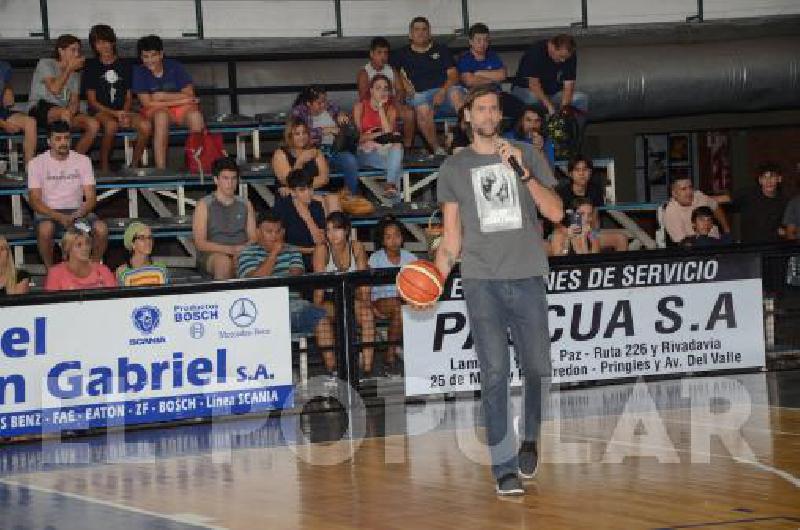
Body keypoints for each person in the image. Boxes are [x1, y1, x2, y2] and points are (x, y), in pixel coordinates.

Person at [431, 85, 562, 496]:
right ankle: (503, 465)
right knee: (494, 373)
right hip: (481, 279)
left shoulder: (527, 154)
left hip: (527, 274)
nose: (488, 115)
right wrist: (435, 280)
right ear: (467, 116)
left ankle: (530, 439)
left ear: (500, 116)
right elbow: (451, 239)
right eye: (480, 109)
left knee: (539, 369)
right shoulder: (455, 167)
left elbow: (556, 213)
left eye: (493, 109)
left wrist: (523, 172)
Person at [27, 120, 109, 267]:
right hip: (48, 212)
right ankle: (50, 271)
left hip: (77, 210)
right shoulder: (36, 163)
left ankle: (95, 267)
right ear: (49, 141)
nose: (63, 142)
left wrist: (78, 213)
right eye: (58, 139)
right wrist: (59, 216)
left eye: (66, 138)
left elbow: (91, 198)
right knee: (45, 230)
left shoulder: (83, 161)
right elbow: (34, 201)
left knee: (101, 229)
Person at [237, 211, 330, 337]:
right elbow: (255, 282)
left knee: (323, 319)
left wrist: (268, 276)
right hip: (261, 311)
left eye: (278, 231)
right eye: (269, 231)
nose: (274, 236)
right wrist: (274, 254)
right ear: (258, 232)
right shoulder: (247, 253)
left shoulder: (292, 251)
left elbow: (295, 278)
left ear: (283, 232)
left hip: (295, 307)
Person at [314, 212, 376, 381]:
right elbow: (318, 285)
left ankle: (367, 369)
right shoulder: (322, 249)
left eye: (336, 229)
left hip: (351, 296)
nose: (331, 234)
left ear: (347, 230)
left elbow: (363, 282)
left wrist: (366, 304)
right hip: (329, 299)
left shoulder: (356, 247)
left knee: (367, 315)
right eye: (328, 230)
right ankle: (333, 369)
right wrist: (315, 307)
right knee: (319, 318)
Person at [390, 16, 464, 155]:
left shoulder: (441, 50)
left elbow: (454, 75)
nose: (421, 32)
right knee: (422, 107)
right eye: (416, 29)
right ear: (410, 34)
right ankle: (437, 150)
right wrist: (403, 83)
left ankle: (465, 141)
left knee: (456, 93)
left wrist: (442, 91)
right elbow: (391, 71)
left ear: (430, 33)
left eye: (424, 29)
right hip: (419, 96)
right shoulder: (401, 54)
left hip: (444, 93)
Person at [84, 24, 151, 171]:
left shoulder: (125, 65)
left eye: (106, 41)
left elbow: (128, 96)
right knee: (111, 125)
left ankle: (134, 165)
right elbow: (92, 101)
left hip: (123, 110)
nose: (104, 46)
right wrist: (115, 114)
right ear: (94, 46)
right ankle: (104, 167)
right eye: (99, 42)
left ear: (113, 42)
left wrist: (124, 113)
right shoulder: (91, 66)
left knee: (145, 126)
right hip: (100, 111)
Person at [132, 35, 205, 169]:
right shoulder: (140, 72)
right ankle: (161, 169)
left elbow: (190, 93)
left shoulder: (175, 66)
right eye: (145, 57)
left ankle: (196, 165)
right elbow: (147, 103)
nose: (149, 60)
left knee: (196, 117)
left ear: (161, 54)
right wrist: (182, 99)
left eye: (153, 56)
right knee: (161, 117)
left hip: (179, 108)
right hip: (157, 110)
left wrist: (162, 96)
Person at [28, 34, 99, 156]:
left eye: (78, 50)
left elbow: (74, 102)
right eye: (73, 50)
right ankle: (62, 157)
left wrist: (71, 113)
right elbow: (55, 89)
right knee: (64, 113)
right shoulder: (46, 63)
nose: (77, 54)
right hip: (40, 107)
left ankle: (74, 160)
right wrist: (69, 69)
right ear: (61, 51)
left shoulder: (75, 75)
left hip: (64, 113)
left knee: (93, 124)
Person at [192, 156, 257, 280]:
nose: (230, 183)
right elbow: (200, 243)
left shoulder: (245, 203)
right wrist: (230, 250)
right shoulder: (204, 204)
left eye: (233, 178)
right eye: (225, 178)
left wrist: (241, 251)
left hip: (241, 251)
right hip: (212, 254)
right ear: (216, 180)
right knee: (223, 263)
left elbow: (253, 237)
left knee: (255, 260)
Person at [290, 86, 360, 196]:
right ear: (309, 103)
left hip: (334, 150)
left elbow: (342, 115)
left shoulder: (330, 106)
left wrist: (342, 115)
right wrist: (324, 130)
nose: (323, 105)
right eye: (319, 103)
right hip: (313, 152)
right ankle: (310, 194)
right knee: (313, 167)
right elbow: (302, 134)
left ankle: (351, 195)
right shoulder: (299, 112)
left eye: (324, 101)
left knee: (350, 160)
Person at [369, 216, 416, 376]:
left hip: (405, 302)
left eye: (396, 235)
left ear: (402, 237)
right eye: (388, 237)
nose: (393, 240)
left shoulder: (410, 258)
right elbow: (366, 287)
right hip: (380, 302)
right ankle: (390, 355)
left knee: (400, 308)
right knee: (398, 306)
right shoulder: (375, 258)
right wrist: (370, 307)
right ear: (382, 241)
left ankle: (393, 353)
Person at [555, 156, 628, 251]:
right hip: (566, 232)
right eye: (577, 170)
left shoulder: (595, 190)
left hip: (589, 231)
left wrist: (592, 234)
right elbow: (556, 222)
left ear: (590, 172)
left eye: (585, 169)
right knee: (558, 238)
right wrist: (568, 232)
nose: (582, 173)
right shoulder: (562, 193)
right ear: (570, 174)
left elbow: (595, 218)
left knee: (620, 238)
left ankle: (595, 264)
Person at [356, 37, 415, 150]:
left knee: (409, 113)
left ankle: (407, 148)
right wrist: (380, 100)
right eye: (379, 53)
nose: (383, 56)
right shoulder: (364, 72)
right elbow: (363, 96)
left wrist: (393, 100)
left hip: (391, 102)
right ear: (372, 54)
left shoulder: (392, 70)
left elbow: (400, 90)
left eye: (385, 53)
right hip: (373, 105)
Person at [271, 118, 339, 213]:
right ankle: (321, 227)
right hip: (290, 196)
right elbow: (289, 181)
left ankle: (334, 228)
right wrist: (300, 162)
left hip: (311, 192)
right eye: (297, 134)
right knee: (319, 201)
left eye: (304, 133)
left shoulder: (315, 152)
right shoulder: (280, 154)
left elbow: (324, 178)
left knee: (333, 199)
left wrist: (303, 187)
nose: (302, 137)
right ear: (290, 136)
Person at [457, 23, 523, 121]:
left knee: (523, 110)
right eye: (479, 40)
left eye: (486, 40)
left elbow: (502, 75)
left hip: (497, 95)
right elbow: (469, 81)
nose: (482, 43)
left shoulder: (492, 56)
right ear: (471, 41)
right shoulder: (465, 58)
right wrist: (492, 79)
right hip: (476, 97)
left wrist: (478, 73)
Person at [511, 34, 588, 117]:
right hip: (525, 89)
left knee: (581, 99)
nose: (563, 60)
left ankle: (570, 128)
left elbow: (569, 85)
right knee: (532, 99)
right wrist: (549, 106)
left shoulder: (568, 55)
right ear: (552, 46)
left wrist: (564, 109)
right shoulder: (536, 51)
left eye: (566, 58)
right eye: (561, 56)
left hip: (551, 92)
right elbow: (533, 85)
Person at [353, 74, 404, 199]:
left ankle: (390, 186)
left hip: (386, 150)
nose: (382, 91)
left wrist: (381, 109)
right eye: (378, 88)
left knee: (397, 146)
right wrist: (378, 134)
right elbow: (357, 138)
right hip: (365, 151)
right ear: (371, 90)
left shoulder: (391, 109)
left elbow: (388, 136)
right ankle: (394, 201)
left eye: (385, 88)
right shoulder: (360, 107)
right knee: (397, 165)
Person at [273, 170, 327, 271]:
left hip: (315, 257)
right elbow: (278, 243)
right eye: (302, 190)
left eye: (310, 188)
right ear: (292, 192)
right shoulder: (282, 207)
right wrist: (309, 250)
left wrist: (307, 218)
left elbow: (320, 241)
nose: (308, 193)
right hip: (289, 257)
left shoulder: (317, 206)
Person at [728, 162, 789, 243]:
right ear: (760, 180)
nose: (768, 181)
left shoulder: (785, 201)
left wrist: (784, 232)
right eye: (764, 177)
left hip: (775, 248)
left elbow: (789, 228)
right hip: (750, 248)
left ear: (779, 179)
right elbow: (724, 199)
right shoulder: (748, 194)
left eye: (772, 177)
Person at [44, 226, 116, 291]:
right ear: (67, 248)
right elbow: (51, 304)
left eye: (87, 244)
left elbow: (114, 299)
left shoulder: (103, 270)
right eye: (79, 245)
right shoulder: (56, 273)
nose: (85, 248)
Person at [663, 177, 730, 245]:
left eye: (690, 187)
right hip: (696, 246)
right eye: (684, 189)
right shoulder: (671, 212)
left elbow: (715, 206)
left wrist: (726, 230)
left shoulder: (698, 196)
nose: (689, 192)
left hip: (718, 241)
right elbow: (682, 242)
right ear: (674, 194)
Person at [0, 61, 37, 164]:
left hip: (2, 113)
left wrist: (8, 90)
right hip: (2, 120)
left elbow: (7, 90)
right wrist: (4, 124)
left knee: (30, 122)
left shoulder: (3, 67)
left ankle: (29, 169)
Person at [117, 221, 169, 286]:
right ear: (132, 244)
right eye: (142, 238)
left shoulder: (161, 269)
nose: (148, 241)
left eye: (150, 238)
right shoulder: (122, 271)